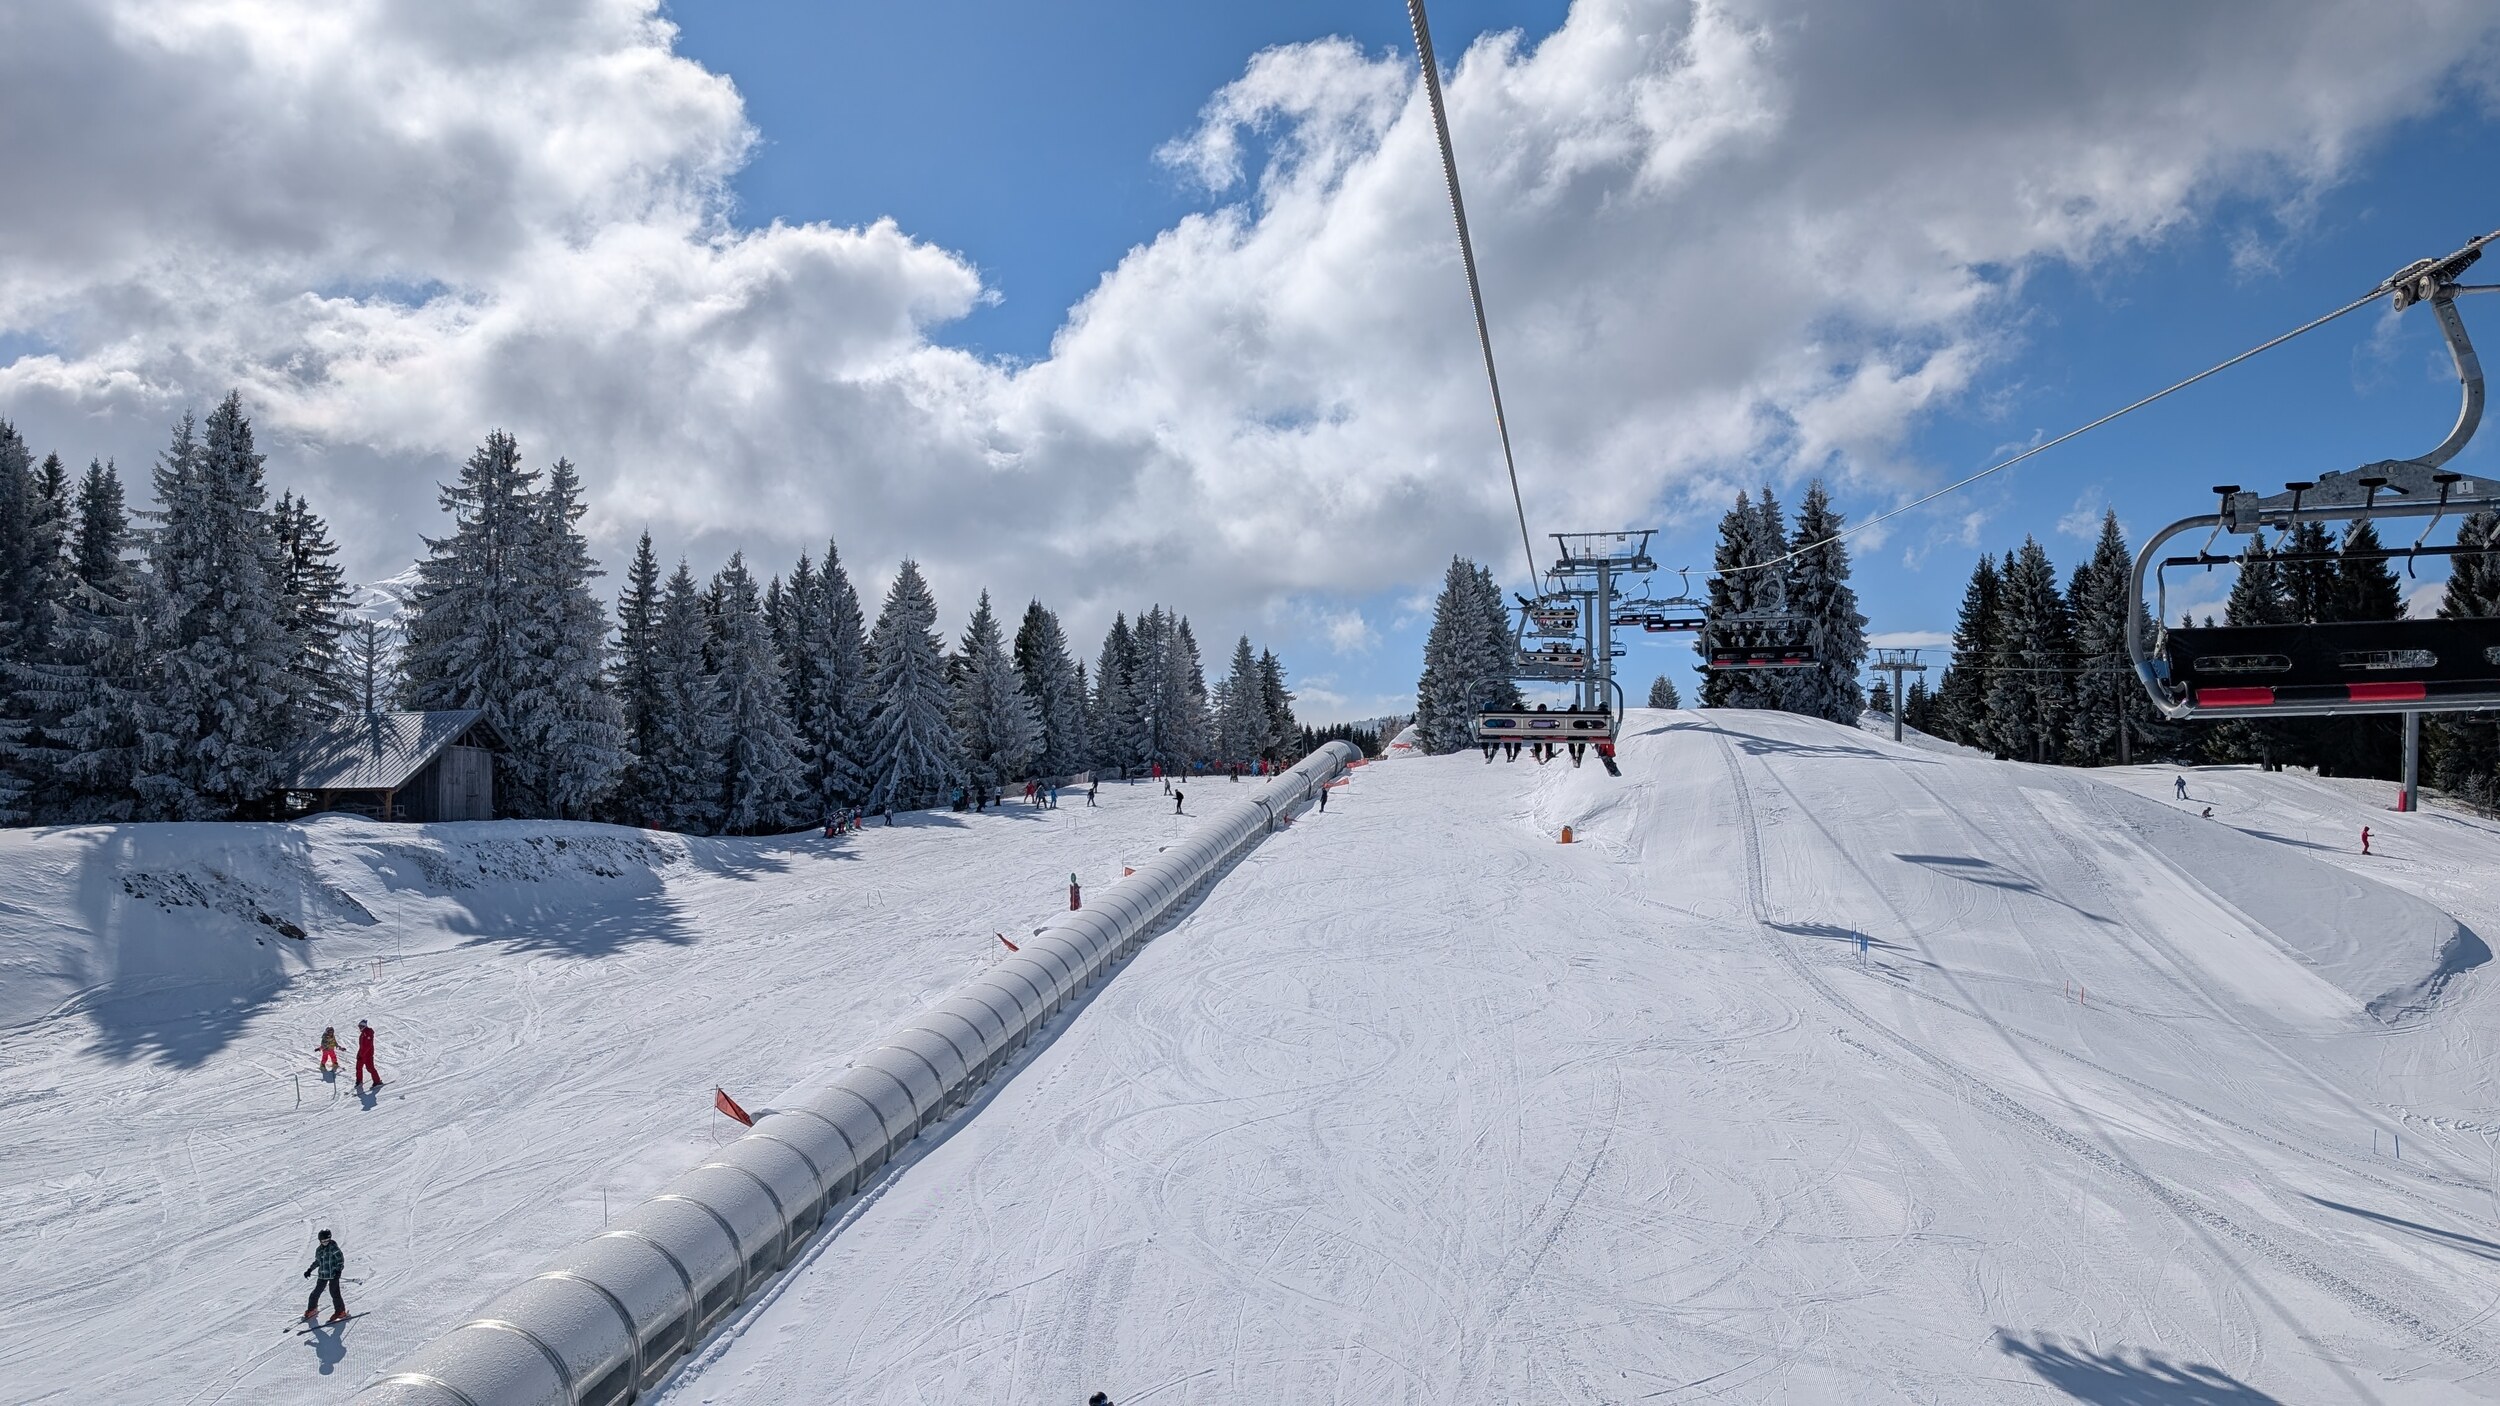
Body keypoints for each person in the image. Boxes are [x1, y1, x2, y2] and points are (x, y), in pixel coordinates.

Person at [303, 1230, 348, 1323]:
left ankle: (340, 1311)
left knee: (334, 1293)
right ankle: (312, 1309)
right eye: (323, 1241)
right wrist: (309, 1270)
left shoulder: (333, 1248)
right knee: (315, 1293)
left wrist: (338, 1271)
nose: (325, 1243)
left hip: (333, 1275)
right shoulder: (319, 1250)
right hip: (322, 1275)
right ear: (320, 1241)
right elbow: (317, 1262)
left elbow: (340, 1260)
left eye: (327, 1240)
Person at [353, 1020, 383, 1091]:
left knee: (370, 1068)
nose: (359, 1028)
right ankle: (359, 1081)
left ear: (364, 1026)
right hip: (362, 1054)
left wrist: (361, 1054)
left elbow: (367, 1046)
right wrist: (359, 1054)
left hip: (367, 1055)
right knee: (358, 1067)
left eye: (361, 1026)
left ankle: (377, 1081)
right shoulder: (363, 1033)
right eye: (359, 1026)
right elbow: (362, 1046)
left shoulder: (368, 1033)